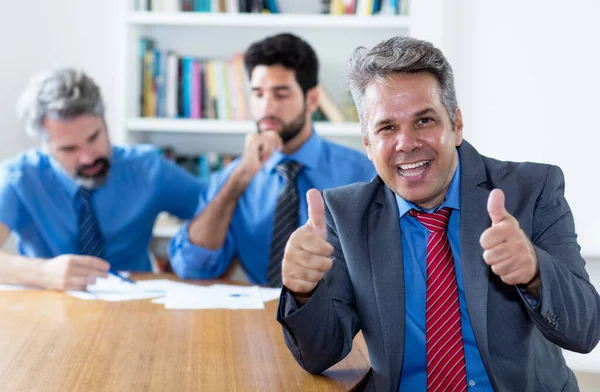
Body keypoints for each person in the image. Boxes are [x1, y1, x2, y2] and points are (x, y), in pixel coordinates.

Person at [277, 36, 600, 391]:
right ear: (367, 143)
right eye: (387, 127)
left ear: (456, 125)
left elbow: (585, 332)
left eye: (424, 120)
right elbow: (321, 353)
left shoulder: (532, 189)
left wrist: (536, 273)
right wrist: (303, 292)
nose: (406, 142)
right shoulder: (345, 214)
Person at [169, 33, 376, 286]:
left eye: (281, 94)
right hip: (258, 315)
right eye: (258, 94)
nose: (266, 108)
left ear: (312, 100)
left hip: (339, 318)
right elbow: (190, 267)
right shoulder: (235, 176)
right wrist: (240, 178)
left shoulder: (363, 174)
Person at [0, 68, 205, 291]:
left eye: (94, 137)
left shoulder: (148, 169)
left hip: (135, 304)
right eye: (69, 149)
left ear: (105, 122)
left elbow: (219, 207)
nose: (88, 158)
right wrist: (42, 272)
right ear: (44, 145)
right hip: (49, 306)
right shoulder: (19, 179)